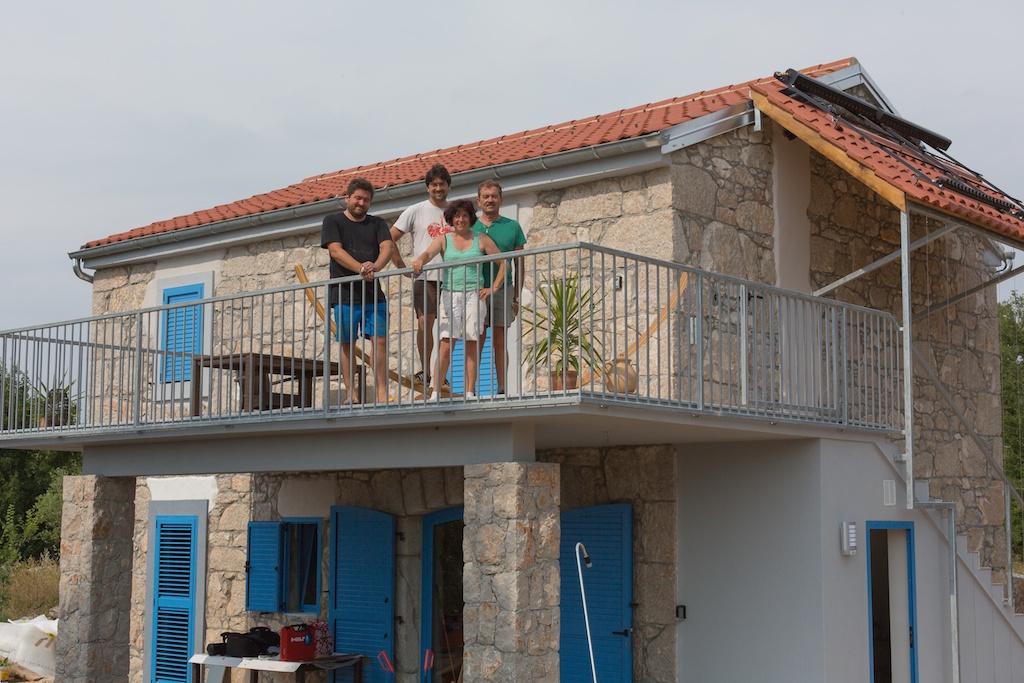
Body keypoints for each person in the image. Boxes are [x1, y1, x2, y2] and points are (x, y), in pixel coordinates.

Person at [412, 199, 505, 400]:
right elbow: (428, 253)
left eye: (464, 215)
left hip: (474, 294)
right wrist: (420, 260)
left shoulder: (480, 238)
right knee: (446, 342)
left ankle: (469, 392)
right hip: (449, 294)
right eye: (457, 216)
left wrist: (494, 287)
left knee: (472, 341)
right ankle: (436, 391)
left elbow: (503, 262)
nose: (460, 219)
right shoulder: (444, 239)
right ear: (451, 219)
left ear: (470, 218)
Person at [320, 178, 395, 404]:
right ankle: (350, 393)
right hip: (344, 294)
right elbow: (336, 251)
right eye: (358, 198)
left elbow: (388, 247)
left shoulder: (378, 223)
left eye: (366, 200)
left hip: (374, 294)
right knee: (347, 343)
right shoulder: (332, 221)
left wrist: (377, 266)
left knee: (380, 341)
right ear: (347, 198)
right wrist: (362, 269)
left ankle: (381, 393)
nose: (362, 203)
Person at [390, 164, 454, 388]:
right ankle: (426, 371)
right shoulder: (415, 210)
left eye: (442, 184)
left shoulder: (457, 212)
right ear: (428, 188)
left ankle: (441, 375)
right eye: (434, 184)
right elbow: (390, 238)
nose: (438, 188)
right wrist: (400, 265)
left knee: (450, 328)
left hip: (454, 278)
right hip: (425, 277)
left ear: (448, 186)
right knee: (424, 322)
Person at [473, 180, 527, 395]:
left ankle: (502, 387)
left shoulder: (512, 226)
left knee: (499, 338)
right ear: (478, 201)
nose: (490, 200)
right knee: (475, 338)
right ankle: (471, 388)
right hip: (475, 290)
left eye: (494, 196)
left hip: (503, 290)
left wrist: (516, 296)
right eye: (485, 196)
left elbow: (519, 262)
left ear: (501, 200)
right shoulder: (470, 227)